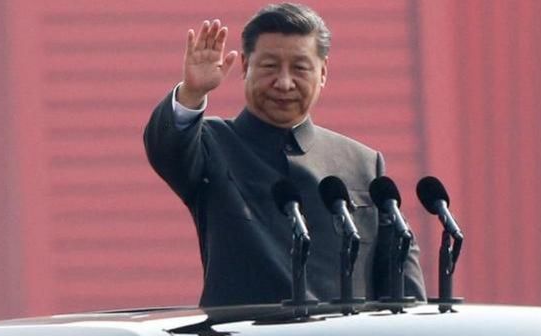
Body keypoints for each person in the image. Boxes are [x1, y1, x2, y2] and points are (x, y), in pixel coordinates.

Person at [144, 3, 426, 307]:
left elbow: (401, 279)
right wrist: (192, 93)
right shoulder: (212, 145)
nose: (284, 82)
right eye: (269, 66)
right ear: (244, 67)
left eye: (300, 68)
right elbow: (168, 148)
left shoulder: (362, 163)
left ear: (323, 73)